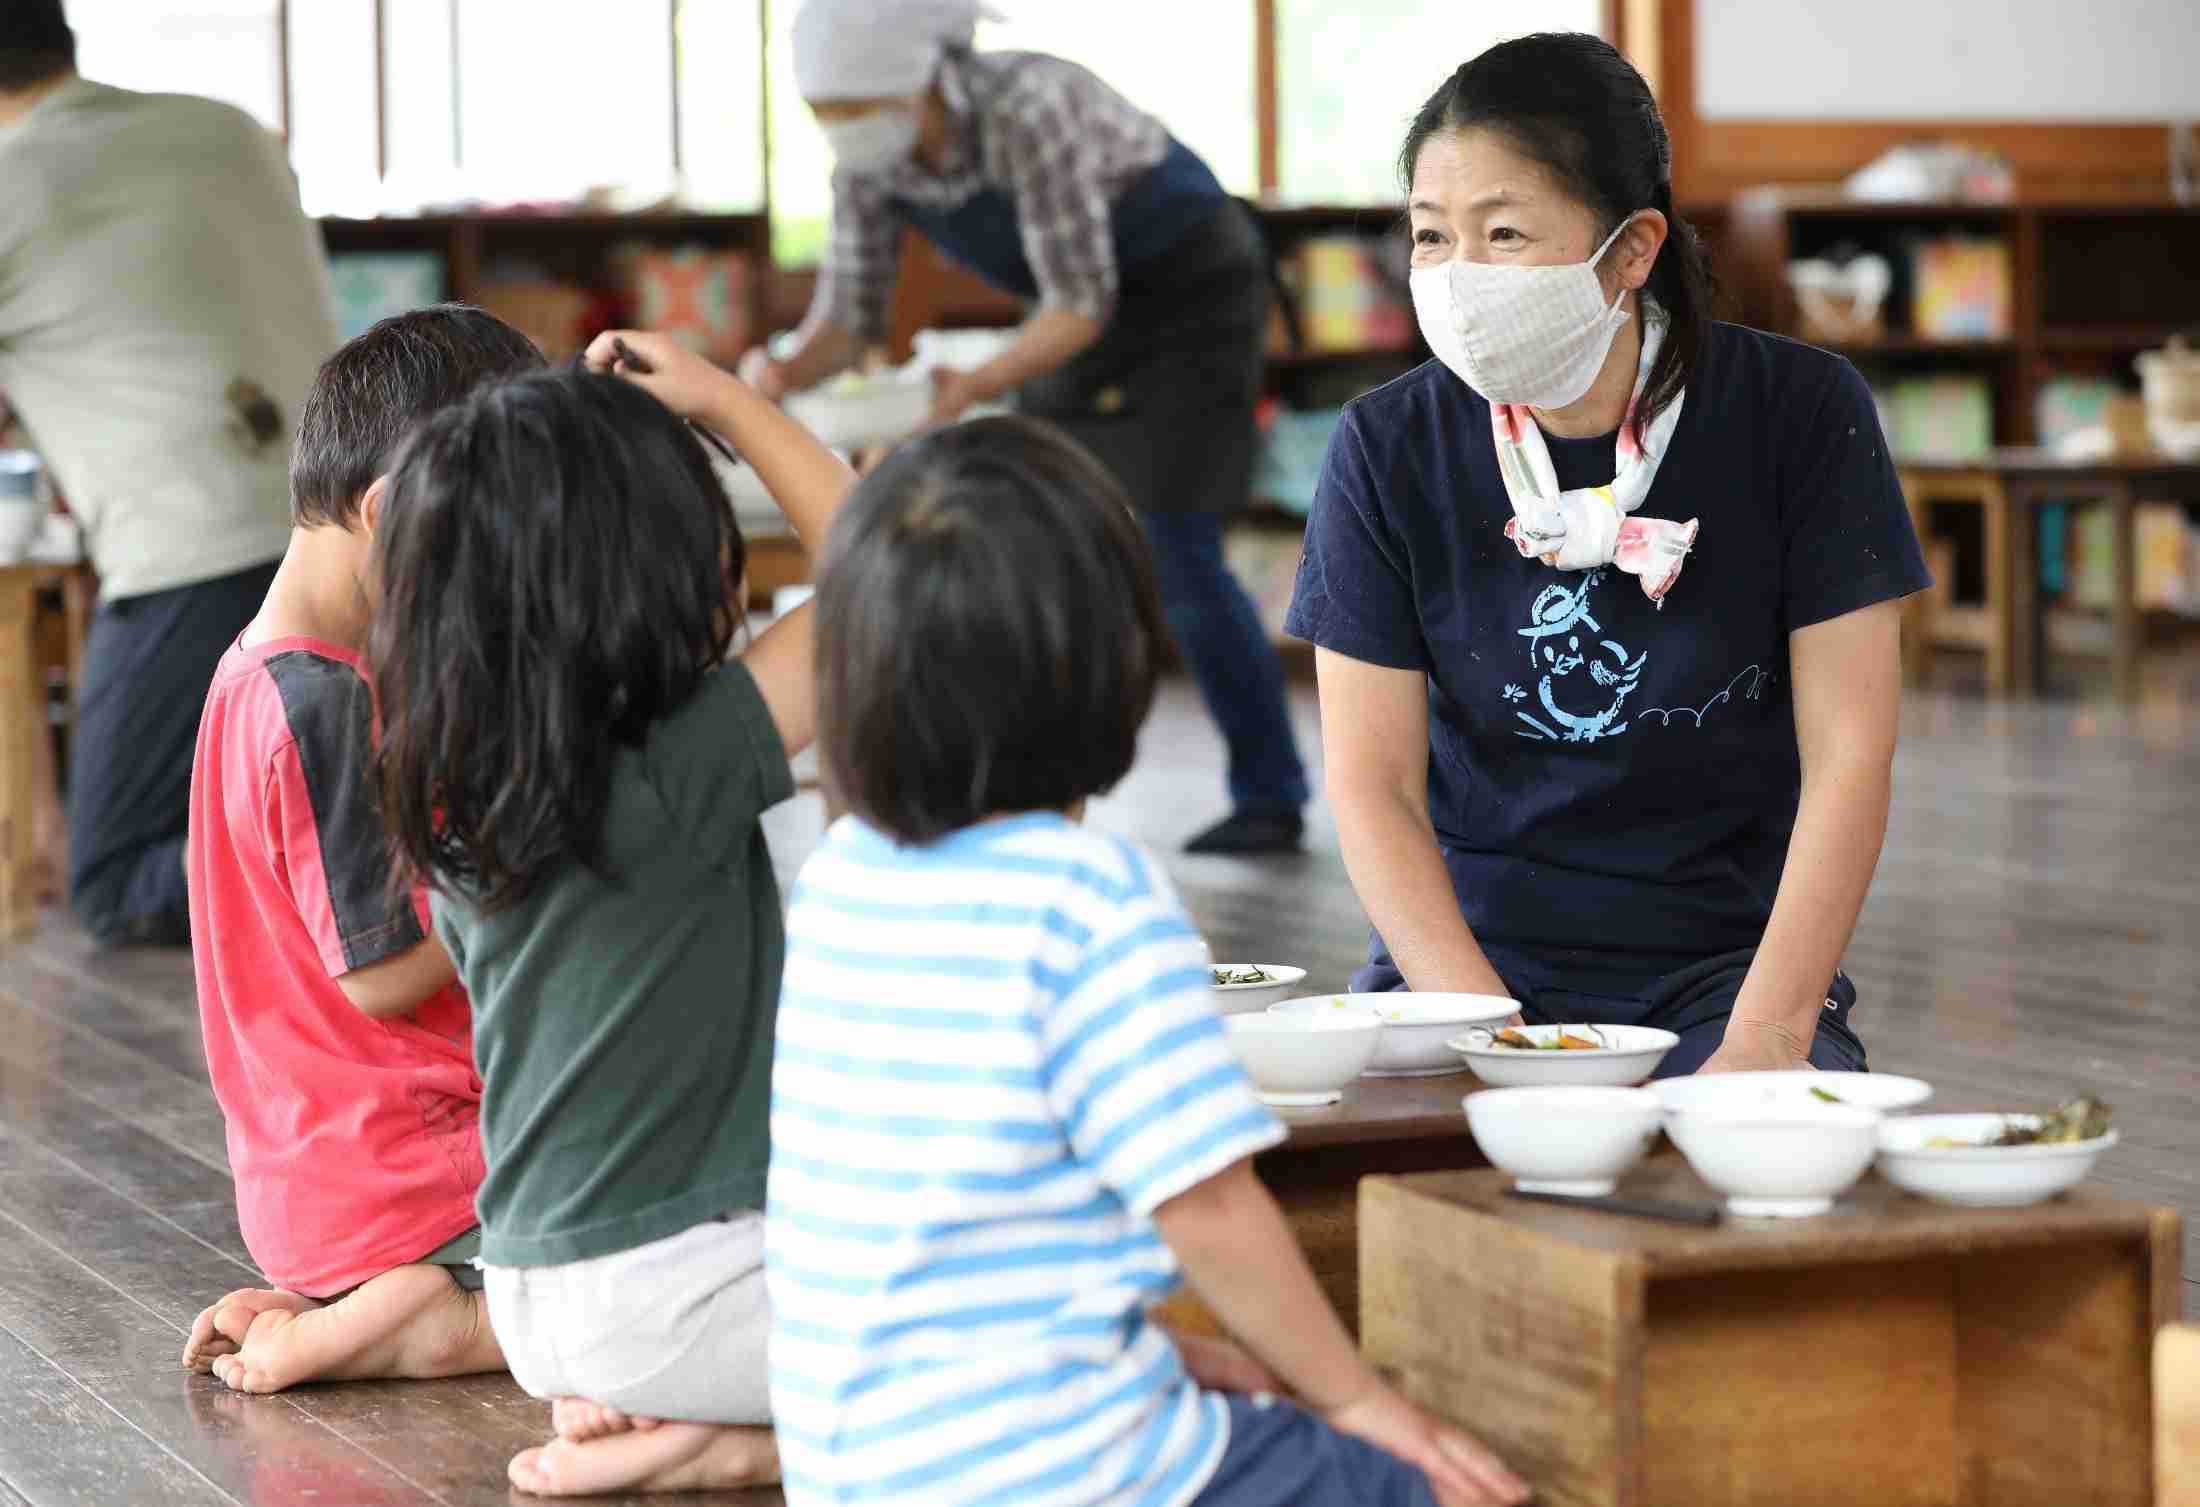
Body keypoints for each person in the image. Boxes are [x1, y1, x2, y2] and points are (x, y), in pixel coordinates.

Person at [768, 416, 1531, 1507]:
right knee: (1423, 1488)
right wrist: (1360, 1402)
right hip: (1062, 1473)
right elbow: (1209, 1211)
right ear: (1104, 665)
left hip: (860, 1466)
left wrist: (1169, 1357)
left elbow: (944, 1232)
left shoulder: (843, 878)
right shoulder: (1086, 898)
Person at [1283, 34, 1931, 1078]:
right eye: (1430, 236)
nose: (1456, 277)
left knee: (1747, 1183)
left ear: (1631, 250)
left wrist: (1766, 1035)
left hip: (1723, 969)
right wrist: (1481, 1028)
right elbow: (1372, 783)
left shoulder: (1800, 413)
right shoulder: (1385, 444)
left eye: (1502, 234)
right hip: (1458, 960)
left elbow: (1851, 752)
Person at [367, 339, 848, 1498]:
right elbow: (886, 569)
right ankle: (735, 1446)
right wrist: (724, 400)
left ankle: (703, 1421)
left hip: (535, 1296)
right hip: (675, 1293)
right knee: (1053, 1329)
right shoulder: (676, 769)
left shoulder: (458, 786)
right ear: (651, 574)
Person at [748, 0, 1308, 855]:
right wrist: (778, 372)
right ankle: (1030, 795)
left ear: (918, 81)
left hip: (1191, 296)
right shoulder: (873, 167)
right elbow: (850, 318)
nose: (844, 131)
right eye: (826, 115)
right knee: (1037, 527)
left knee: (1173, 542)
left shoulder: (1030, 110)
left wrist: (970, 382)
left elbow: (1080, 301)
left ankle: (1270, 794)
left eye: (854, 110)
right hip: (1077, 315)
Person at [179, 307, 543, 1397]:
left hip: (331, 1186)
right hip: (422, 1182)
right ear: (389, 514)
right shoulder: (319, 702)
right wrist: (539, 847)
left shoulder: (269, 671)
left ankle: (350, 1296)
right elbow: (381, 973)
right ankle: (434, 1317)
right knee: (672, 1255)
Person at [0, 0, 340, 943]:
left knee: (110, 878)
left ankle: (350, 857)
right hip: (368, 525)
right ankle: (362, 828)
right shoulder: (228, 129)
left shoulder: (12, 180)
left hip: (197, 560)